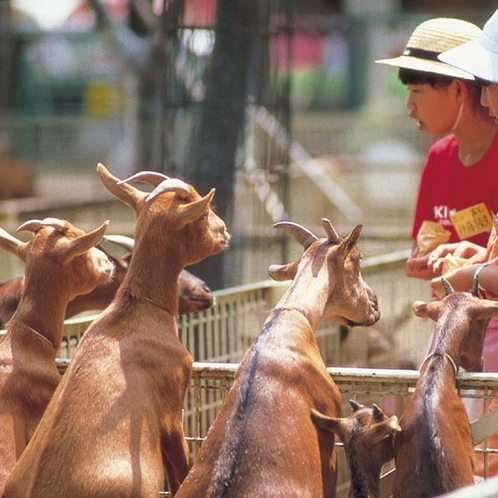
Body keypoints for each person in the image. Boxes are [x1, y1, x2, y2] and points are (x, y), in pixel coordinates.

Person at [376, 18, 498, 282]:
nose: (409, 104)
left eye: (417, 90)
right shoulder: (438, 157)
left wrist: (473, 270)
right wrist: (426, 262)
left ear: (457, 89)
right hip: (447, 314)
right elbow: (422, 248)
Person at [434, 8, 498, 479]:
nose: (486, 98)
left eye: (488, 81)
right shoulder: (439, 159)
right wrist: (484, 258)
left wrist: (471, 276)